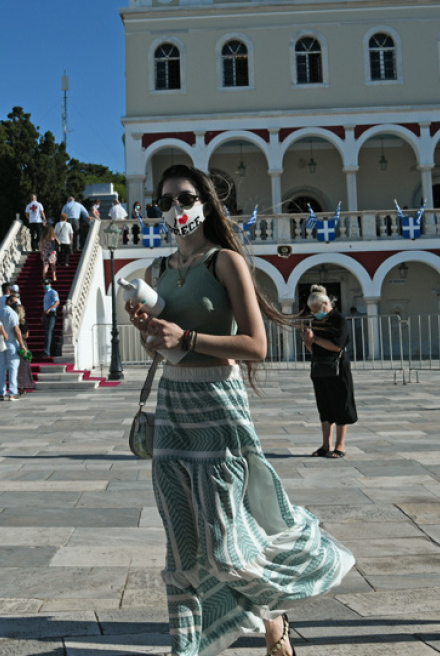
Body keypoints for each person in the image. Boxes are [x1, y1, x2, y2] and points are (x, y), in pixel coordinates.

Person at [127, 164, 354, 656]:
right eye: (163, 202)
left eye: (184, 198)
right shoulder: (157, 272)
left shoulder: (224, 262)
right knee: (183, 539)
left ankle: (275, 618)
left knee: (227, 542)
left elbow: (256, 344)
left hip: (218, 404)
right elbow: (162, 351)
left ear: (205, 204)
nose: (175, 209)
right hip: (174, 404)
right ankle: (189, 644)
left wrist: (184, 336)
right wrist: (152, 331)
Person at [302, 285, 357, 458]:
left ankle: (340, 445)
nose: (315, 314)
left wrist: (315, 339)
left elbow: (337, 346)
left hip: (338, 367)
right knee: (324, 406)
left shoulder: (339, 320)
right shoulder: (317, 322)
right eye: (312, 311)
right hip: (320, 367)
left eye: (317, 310)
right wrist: (308, 342)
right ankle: (326, 445)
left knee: (340, 404)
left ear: (325, 304)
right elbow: (315, 349)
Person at [0, 296, 27, 401]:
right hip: (11, 342)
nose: (16, 304)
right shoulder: (12, 313)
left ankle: (1, 392)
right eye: (15, 302)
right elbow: (16, 330)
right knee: (13, 368)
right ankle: (12, 393)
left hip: (0, 343)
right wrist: (22, 345)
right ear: (9, 302)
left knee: (1, 368)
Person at [43, 279, 60, 357]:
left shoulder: (53, 292)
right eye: (44, 284)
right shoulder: (46, 293)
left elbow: (57, 302)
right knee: (50, 332)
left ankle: (47, 351)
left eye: (47, 284)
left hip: (52, 313)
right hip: (46, 314)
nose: (45, 285)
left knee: (49, 332)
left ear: (50, 284)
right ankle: (52, 350)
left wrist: (50, 308)